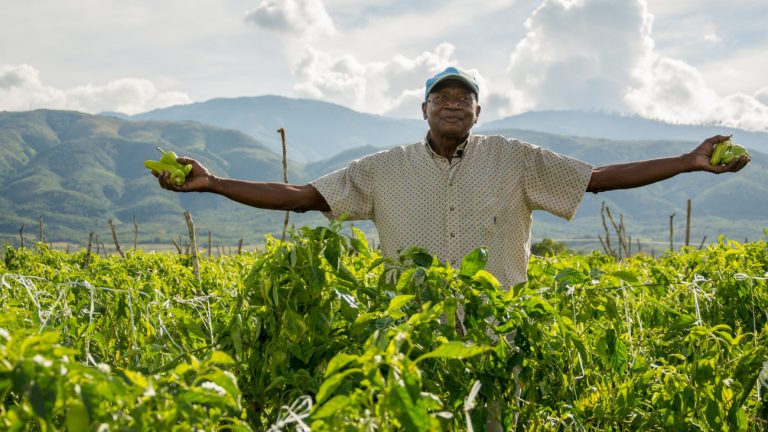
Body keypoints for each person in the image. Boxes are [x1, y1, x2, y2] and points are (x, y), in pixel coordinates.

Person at [155, 66, 751, 288]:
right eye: (441, 97)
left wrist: (686, 161)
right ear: (423, 110)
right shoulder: (382, 169)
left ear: (478, 112)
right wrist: (214, 183)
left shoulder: (514, 159)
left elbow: (595, 179)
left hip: (498, 328)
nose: (453, 104)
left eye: (464, 98)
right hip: (413, 331)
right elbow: (305, 197)